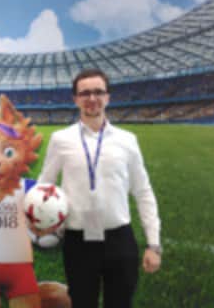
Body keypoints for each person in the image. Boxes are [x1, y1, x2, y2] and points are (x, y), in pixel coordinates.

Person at [37, 68, 161, 308]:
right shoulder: (61, 139)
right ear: (75, 99)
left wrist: (154, 245)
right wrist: (41, 221)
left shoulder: (127, 140)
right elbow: (45, 185)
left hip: (119, 240)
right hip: (78, 241)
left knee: (120, 303)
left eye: (98, 92)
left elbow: (143, 191)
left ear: (108, 97)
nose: (92, 98)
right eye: (85, 93)